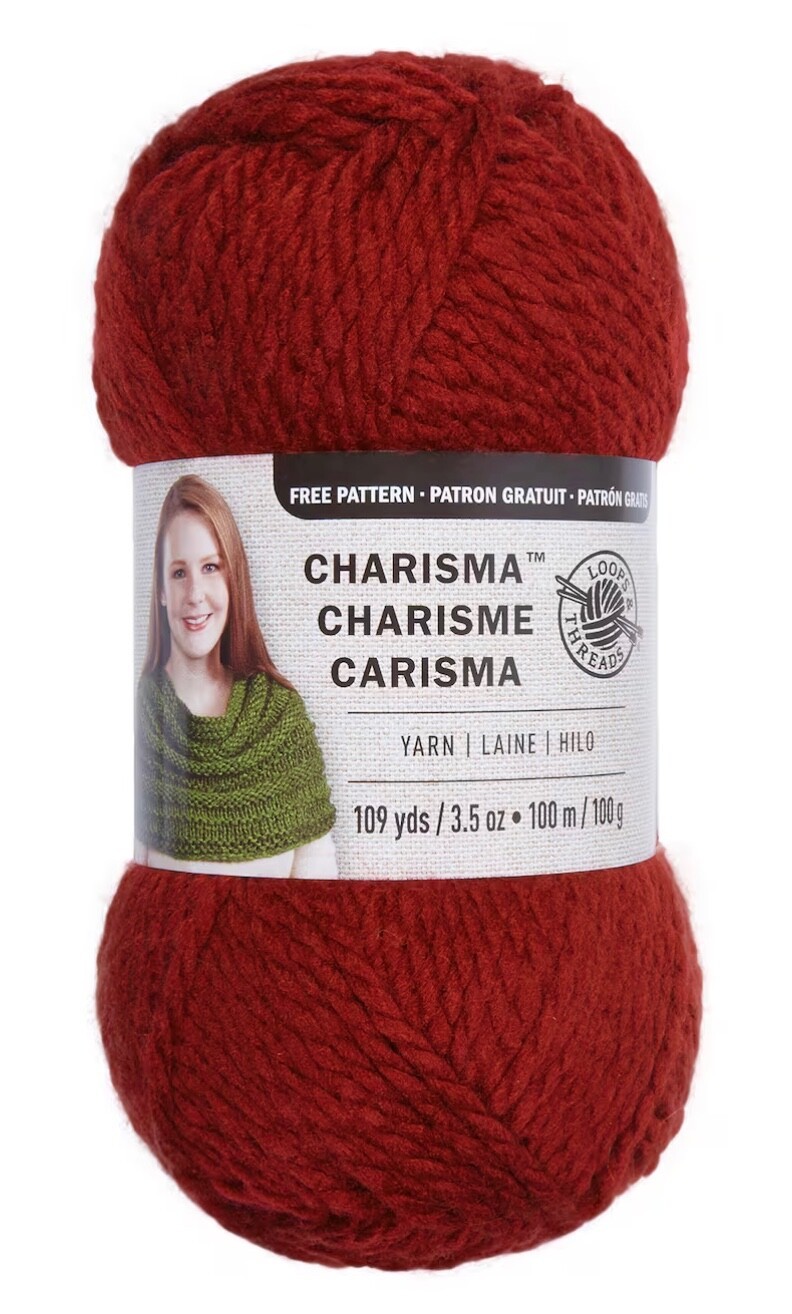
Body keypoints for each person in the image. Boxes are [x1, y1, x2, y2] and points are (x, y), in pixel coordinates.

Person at [134, 475, 338, 877]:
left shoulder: (280, 721)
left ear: (233, 579)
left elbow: (320, 899)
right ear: (160, 590)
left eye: (210, 567)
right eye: (178, 573)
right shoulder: (136, 721)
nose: (195, 594)